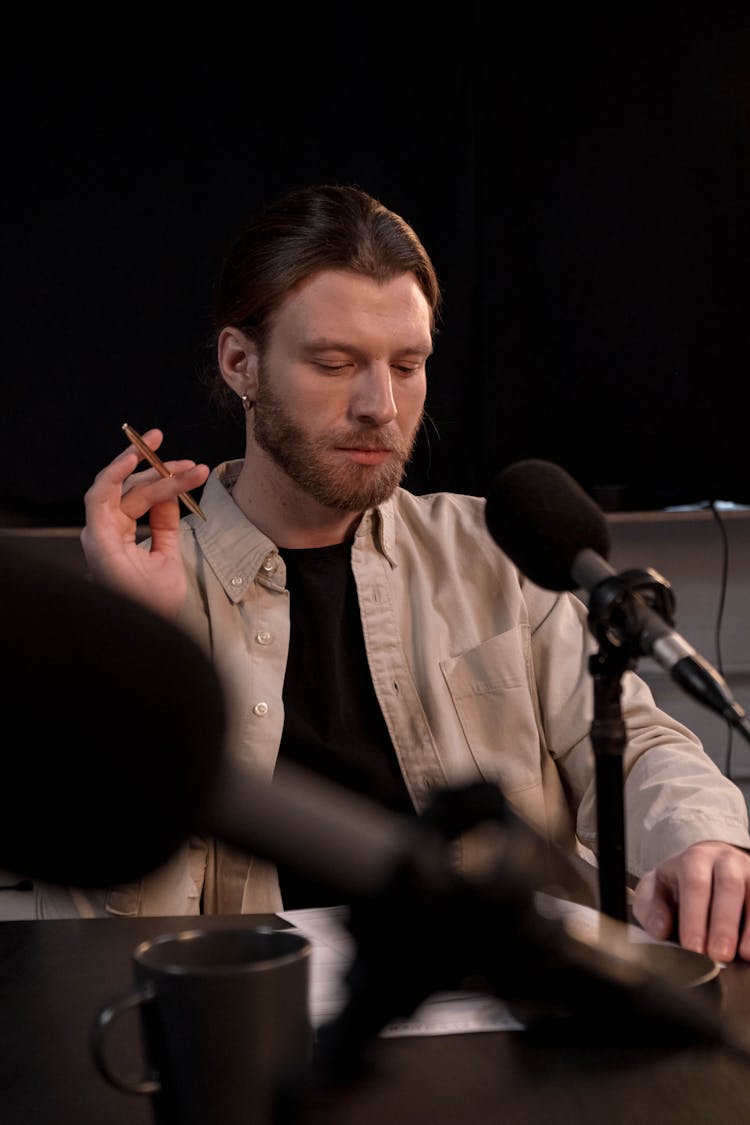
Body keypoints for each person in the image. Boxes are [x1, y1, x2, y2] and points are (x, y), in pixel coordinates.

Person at [34, 183, 750, 965]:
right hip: (258, 1028)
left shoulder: (497, 548)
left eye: (408, 365)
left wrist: (703, 837)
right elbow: (89, 928)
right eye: (337, 363)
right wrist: (143, 651)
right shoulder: (148, 582)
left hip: (499, 1015)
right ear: (241, 362)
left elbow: (641, 743)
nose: (382, 404)